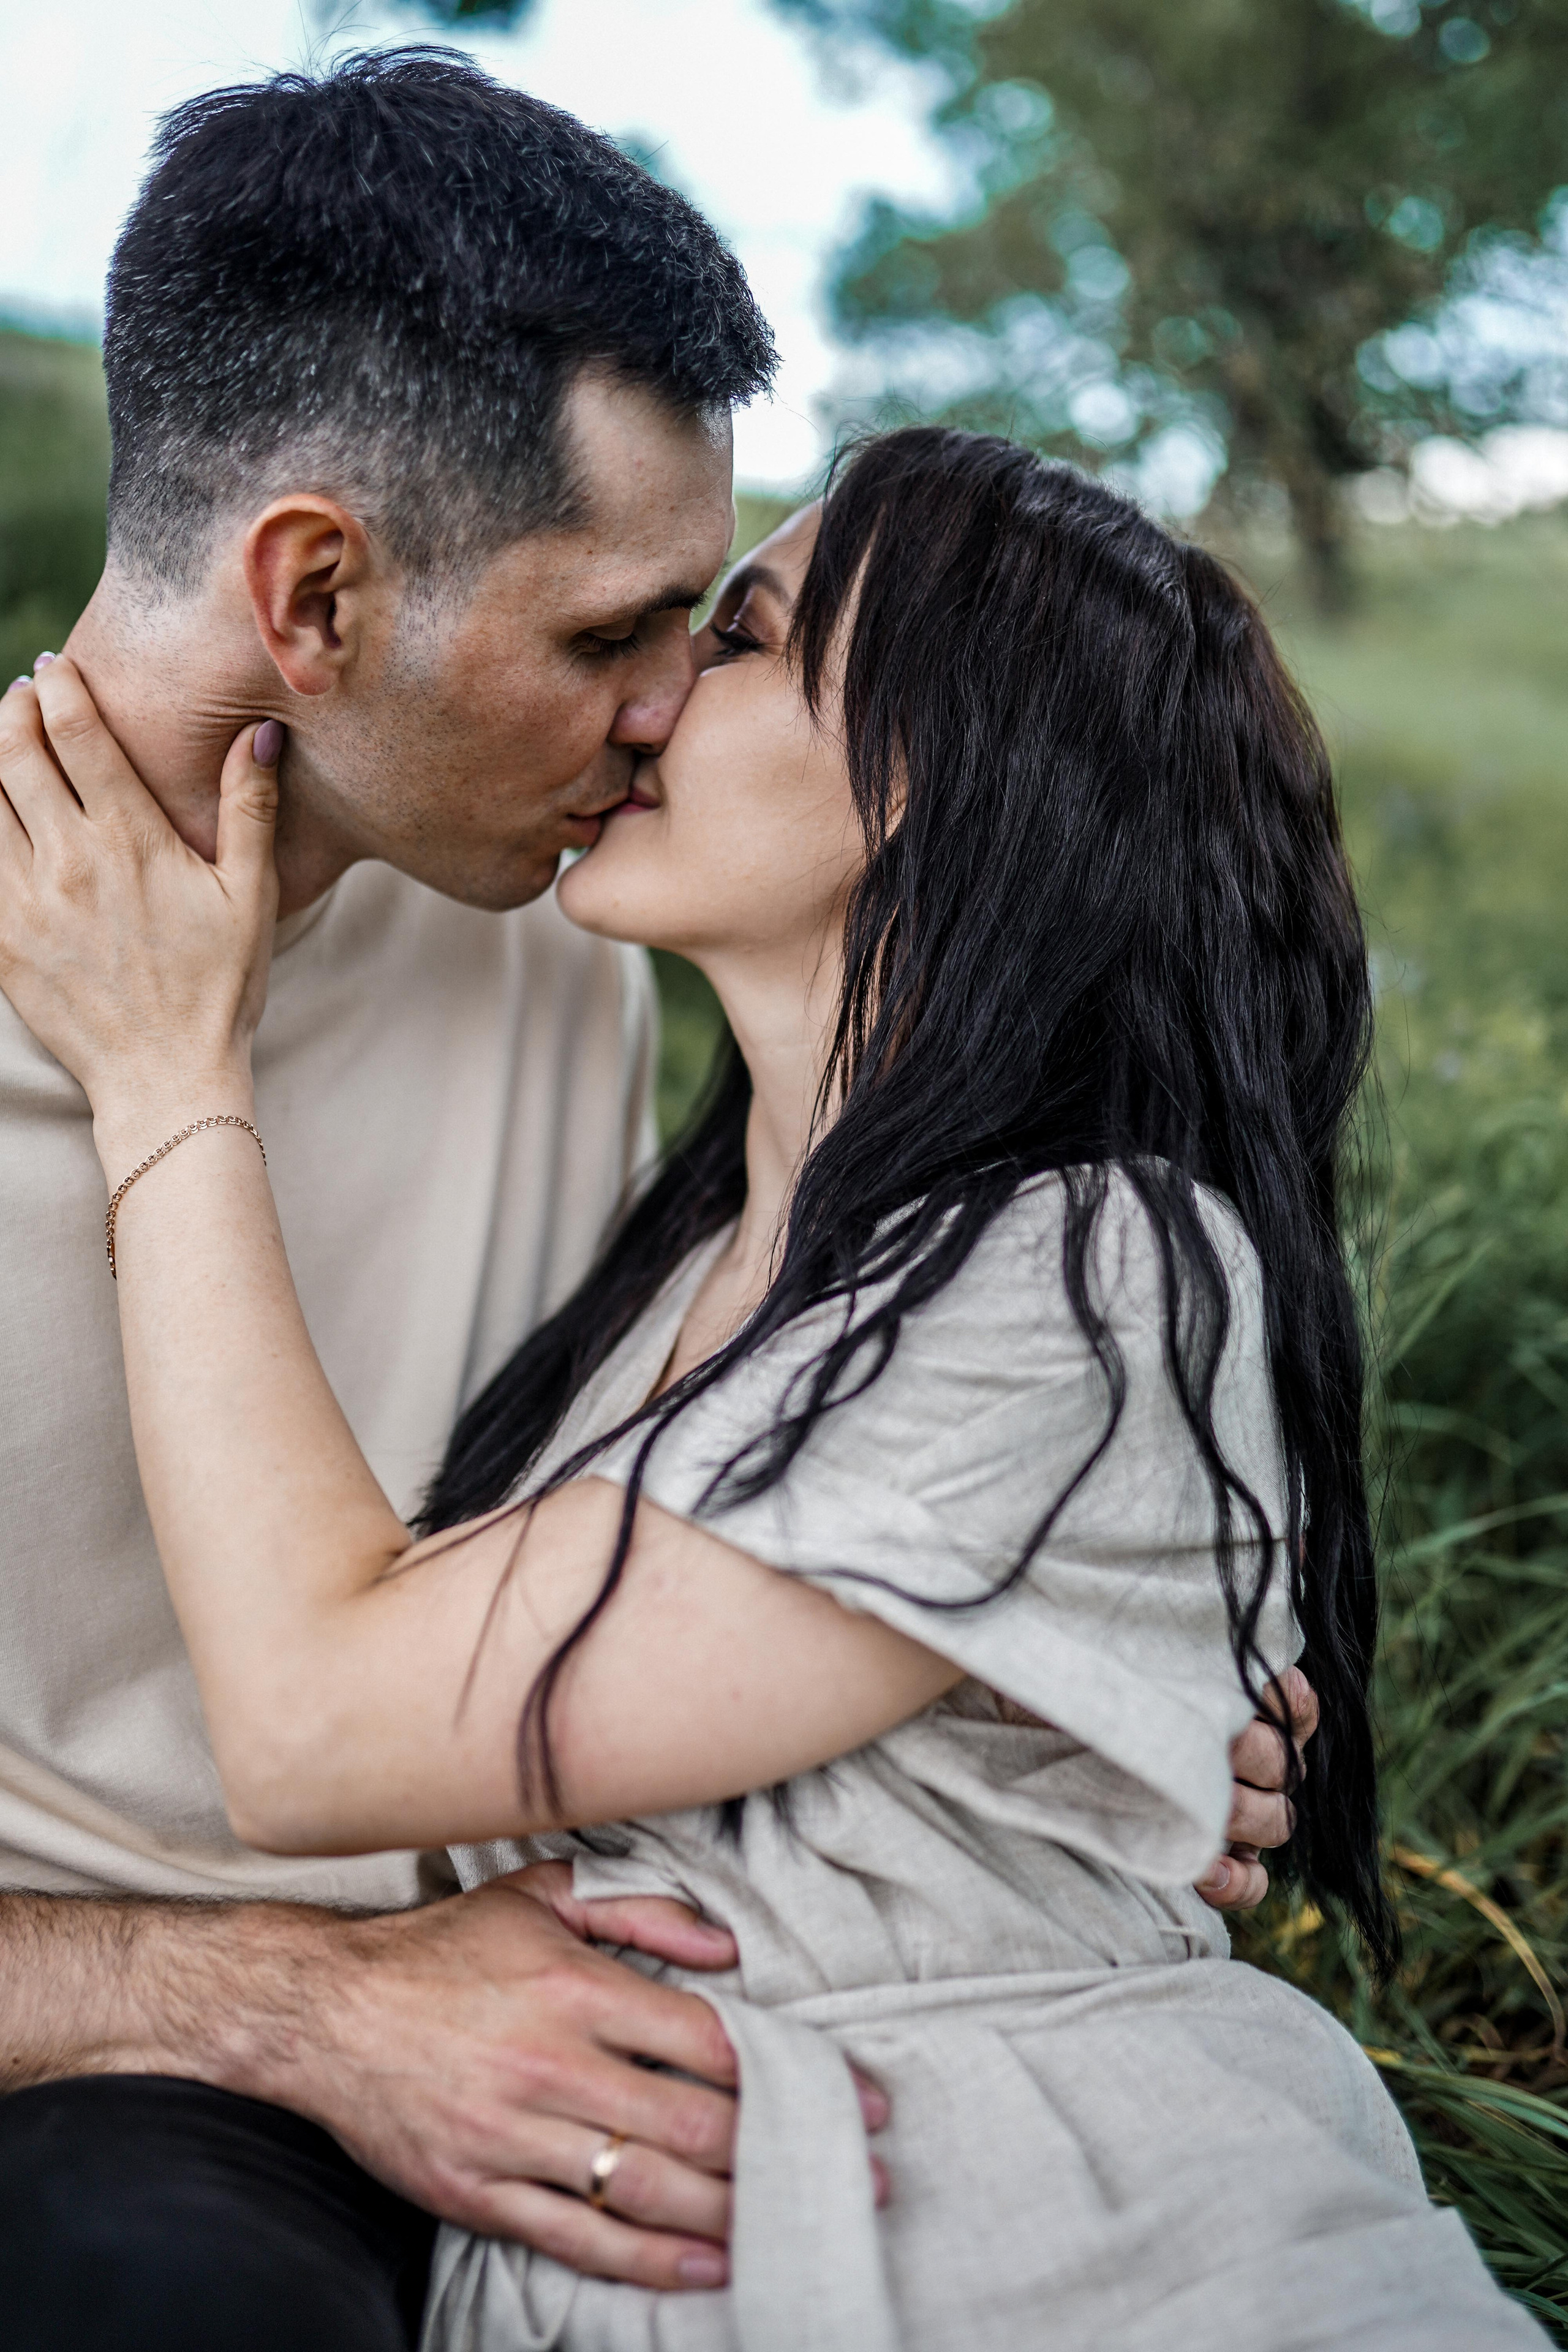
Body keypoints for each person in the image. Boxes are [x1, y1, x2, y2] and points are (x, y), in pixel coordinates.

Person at [0, 48, 1294, 2352]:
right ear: (315, 595)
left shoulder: (558, 912)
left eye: (716, 627)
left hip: (677, 2010)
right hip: (136, 2054)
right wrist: (294, 2005)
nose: (667, 711)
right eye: (616, 635)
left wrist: (1083, 1683)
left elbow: (906, 1332)